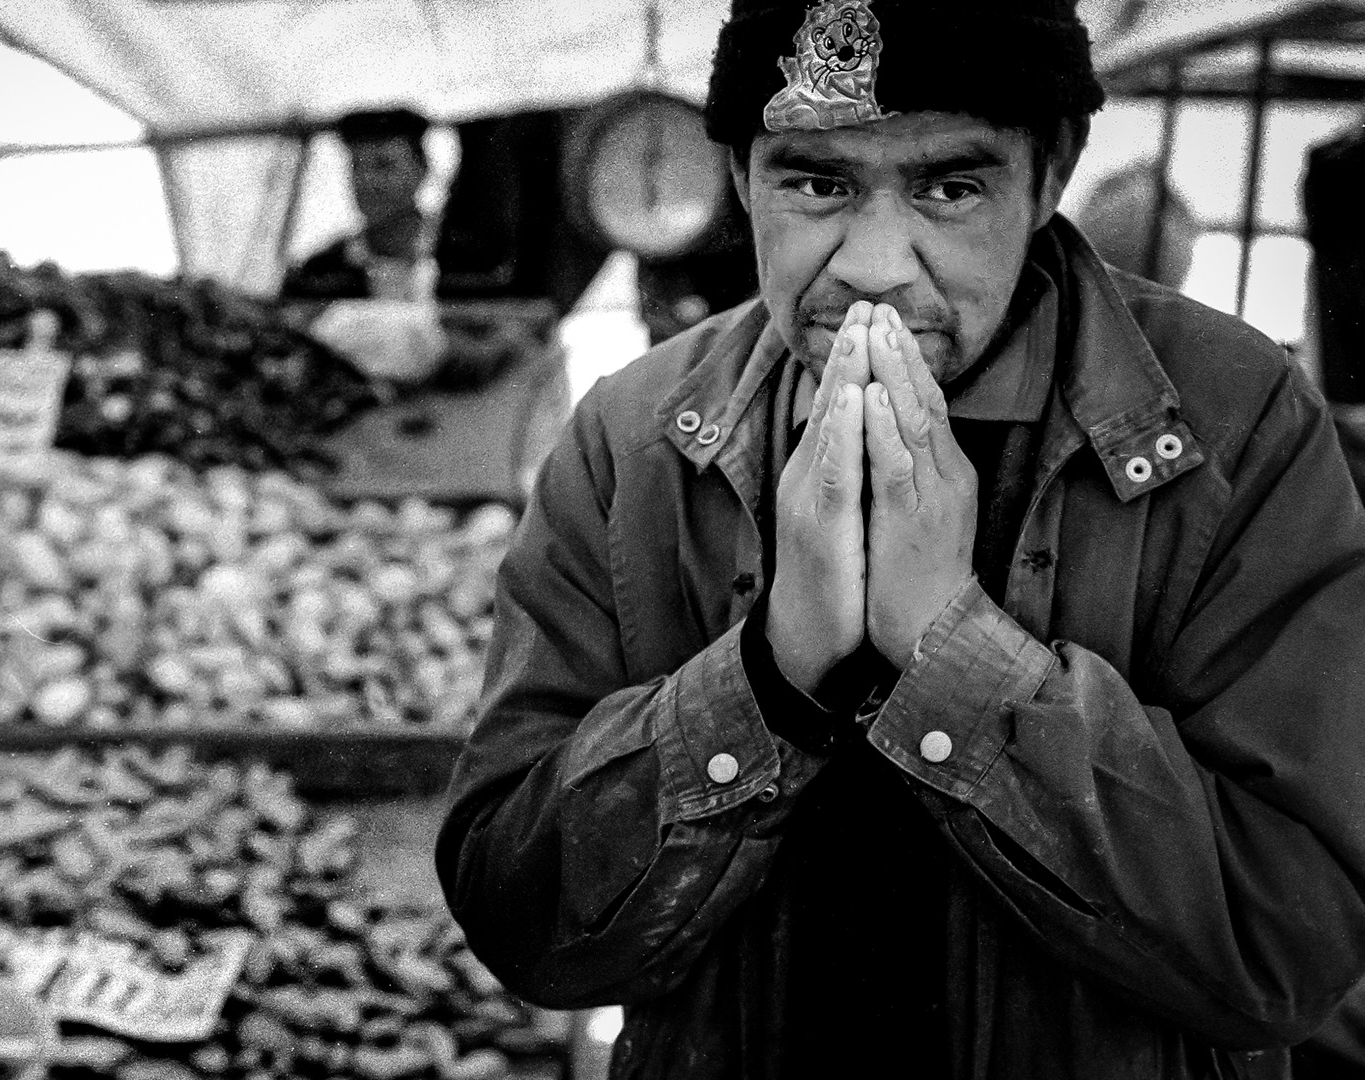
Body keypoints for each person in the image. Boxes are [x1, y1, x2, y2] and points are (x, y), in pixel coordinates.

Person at [436, 1, 1365, 1078]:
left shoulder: (1234, 426)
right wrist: (768, 677)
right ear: (741, 178)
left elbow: (1289, 946)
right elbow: (521, 918)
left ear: (1051, 172)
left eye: (951, 188)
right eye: (818, 184)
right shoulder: (630, 442)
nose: (875, 265)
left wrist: (955, 651)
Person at [282, 108, 438, 302]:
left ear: (422, 170)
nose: (365, 181)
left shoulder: (458, 256)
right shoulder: (321, 269)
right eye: (356, 166)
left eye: (384, 165)